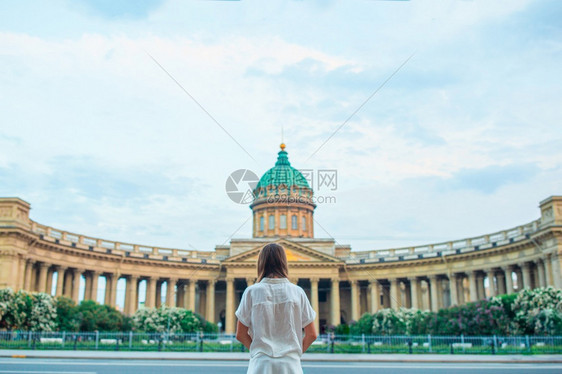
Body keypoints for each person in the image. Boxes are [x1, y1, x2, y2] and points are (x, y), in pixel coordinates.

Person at [235, 243, 318, 374]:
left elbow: (240, 334)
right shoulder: (298, 292)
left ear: (261, 263)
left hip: (260, 364)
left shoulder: (251, 292)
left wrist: (258, 351)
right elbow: (312, 334)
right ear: (283, 262)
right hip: (291, 365)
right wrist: (294, 353)